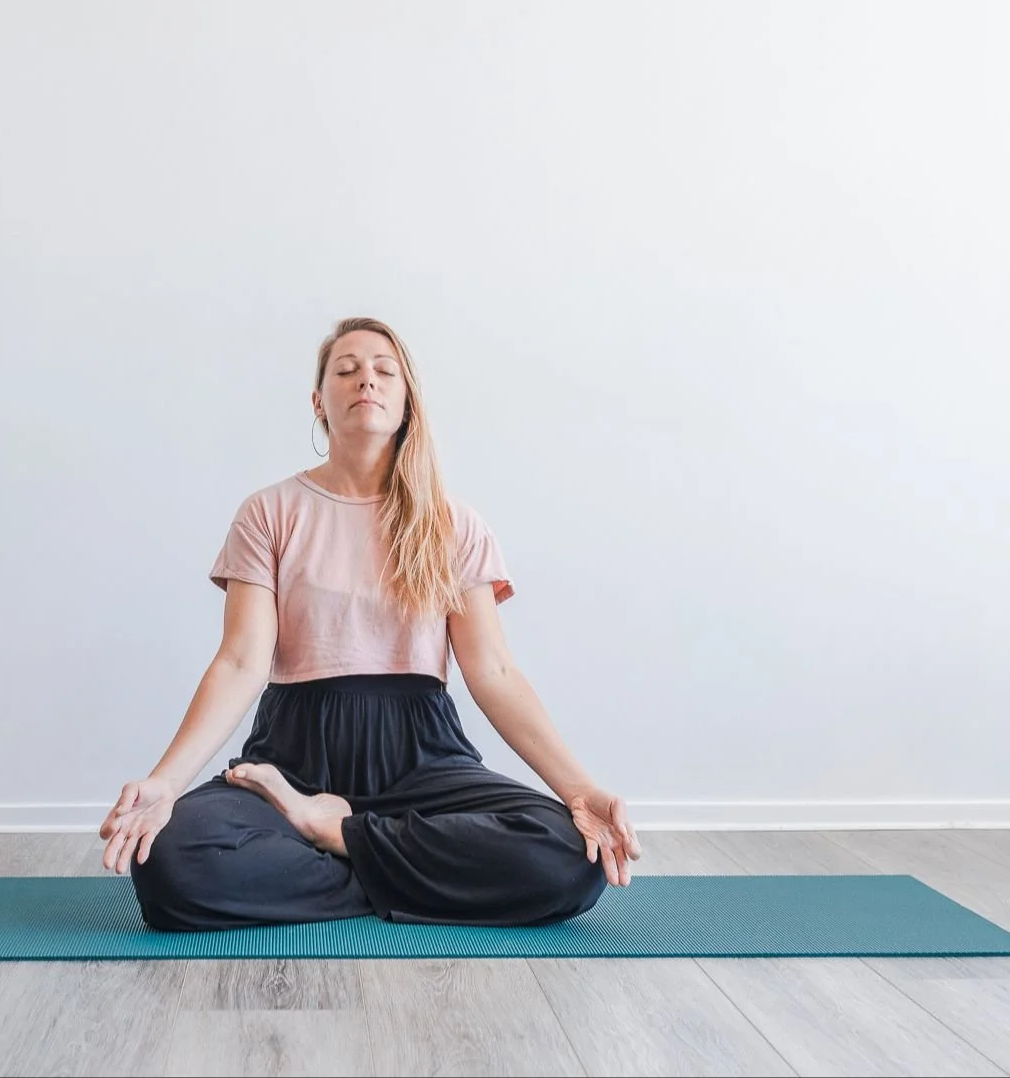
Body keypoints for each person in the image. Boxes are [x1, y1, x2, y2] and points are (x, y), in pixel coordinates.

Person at [98, 316, 641, 931]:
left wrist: (578, 791)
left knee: (570, 856)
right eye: (347, 370)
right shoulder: (268, 513)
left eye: (385, 371)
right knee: (170, 862)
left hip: (423, 756)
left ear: (408, 400)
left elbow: (492, 670)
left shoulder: (453, 523)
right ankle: (389, 866)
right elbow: (241, 662)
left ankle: (332, 835)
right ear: (319, 402)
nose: (367, 381)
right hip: (292, 759)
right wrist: (166, 783)